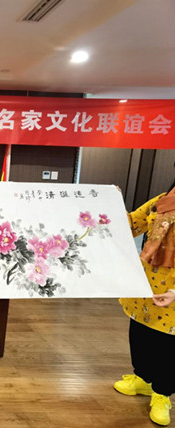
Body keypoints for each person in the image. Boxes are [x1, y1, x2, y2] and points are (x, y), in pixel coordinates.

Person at [114, 178, 175, 426]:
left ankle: (162, 393)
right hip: (144, 286)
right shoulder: (159, 202)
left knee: (168, 346)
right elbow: (129, 224)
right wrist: (110, 203)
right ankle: (143, 379)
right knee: (140, 334)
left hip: (172, 293)